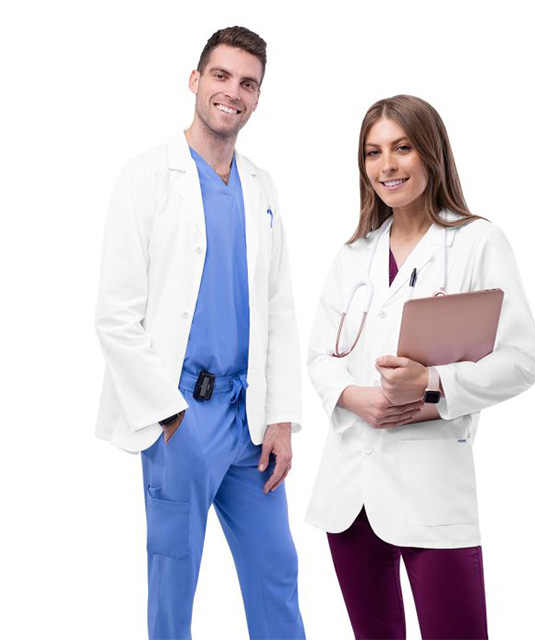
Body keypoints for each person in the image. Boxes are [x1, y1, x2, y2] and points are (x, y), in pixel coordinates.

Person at [305, 95, 535, 639]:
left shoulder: (476, 241)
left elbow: (524, 360)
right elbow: (319, 357)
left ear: (431, 152)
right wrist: (354, 397)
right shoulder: (354, 254)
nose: (386, 165)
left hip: (431, 485)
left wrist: (433, 383)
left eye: (402, 148)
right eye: (373, 152)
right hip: (350, 493)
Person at [94, 26, 306, 640]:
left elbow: (278, 308)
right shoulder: (146, 177)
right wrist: (168, 416)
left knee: (276, 569)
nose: (233, 92)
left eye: (248, 83)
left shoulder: (261, 187)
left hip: (250, 419)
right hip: (181, 413)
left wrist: (281, 416)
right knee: (174, 583)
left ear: (258, 98)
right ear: (195, 80)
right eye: (221, 75)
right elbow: (115, 314)